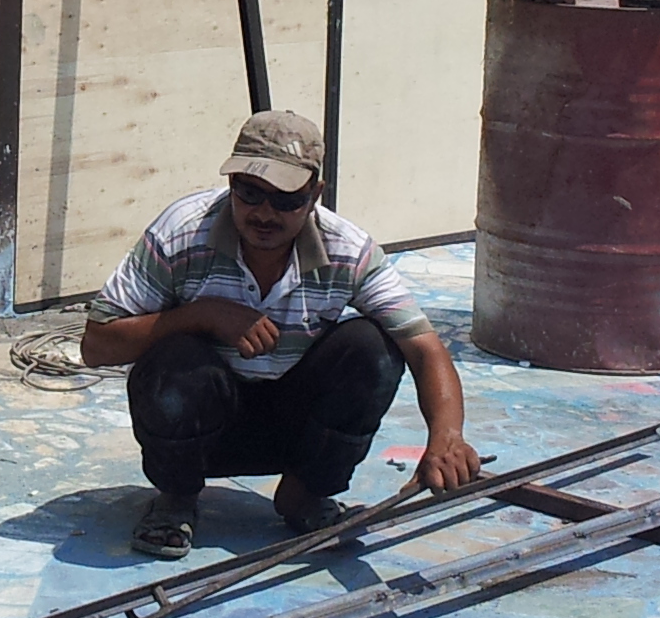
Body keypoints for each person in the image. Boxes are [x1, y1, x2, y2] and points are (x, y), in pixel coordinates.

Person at [80, 110, 479, 559]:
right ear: (231, 184)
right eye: (249, 193)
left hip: (297, 425)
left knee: (373, 349)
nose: (265, 213)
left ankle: (305, 493)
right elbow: (97, 345)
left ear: (315, 195)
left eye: (286, 200)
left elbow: (424, 349)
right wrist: (203, 315)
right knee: (173, 360)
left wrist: (447, 436)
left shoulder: (349, 251)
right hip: (204, 422)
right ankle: (176, 498)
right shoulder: (181, 233)